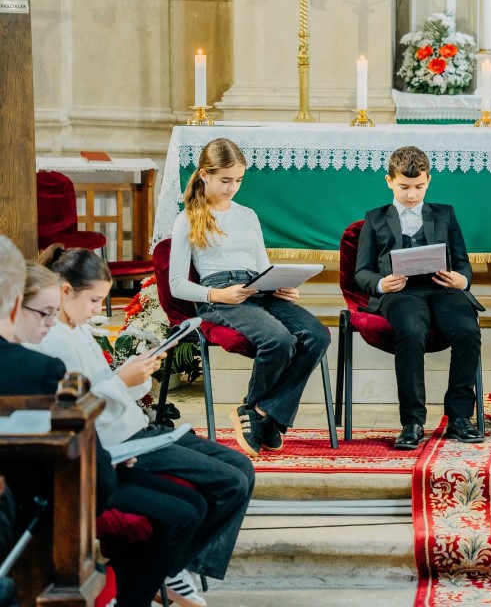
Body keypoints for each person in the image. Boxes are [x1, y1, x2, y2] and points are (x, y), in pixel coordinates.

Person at [32, 244, 254, 601]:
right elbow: (78, 410)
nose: (97, 310)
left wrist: (136, 375)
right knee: (229, 483)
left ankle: (173, 565)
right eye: (94, 301)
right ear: (65, 291)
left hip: (135, 428)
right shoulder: (54, 338)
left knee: (240, 467)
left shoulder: (76, 327)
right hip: (117, 441)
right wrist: (123, 381)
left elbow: (104, 386)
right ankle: (172, 568)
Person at [15, 261, 208, 607]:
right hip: (61, 482)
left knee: (192, 505)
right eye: (45, 313)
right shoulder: (41, 359)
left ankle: (132, 586)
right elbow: (67, 423)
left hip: (89, 461)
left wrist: (109, 454)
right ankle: (127, 590)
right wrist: (106, 459)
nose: (51, 323)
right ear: (15, 307)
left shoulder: (55, 341)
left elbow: (77, 417)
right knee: (183, 511)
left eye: (53, 313)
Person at [169, 137, 330, 456]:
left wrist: (280, 284)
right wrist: (217, 294)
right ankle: (263, 416)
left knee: (317, 335)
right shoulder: (187, 218)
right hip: (219, 294)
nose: (232, 188)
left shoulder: (247, 215)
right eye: (225, 180)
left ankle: (258, 412)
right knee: (278, 340)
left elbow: (262, 266)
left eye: (239, 180)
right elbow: (176, 284)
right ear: (204, 175)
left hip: (258, 287)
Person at [354, 145, 485, 450]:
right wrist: (382, 283)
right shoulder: (374, 218)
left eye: (419, 186)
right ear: (389, 181)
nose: (412, 195)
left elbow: (462, 262)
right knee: (411, 332)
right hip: (401, 293)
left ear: (429, 180)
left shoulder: (445, 213)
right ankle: (412, 422)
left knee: (468, 331)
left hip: (443, 289)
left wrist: (462, 279)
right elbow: (362, 271)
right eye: (404, 187)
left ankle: (459, 417)